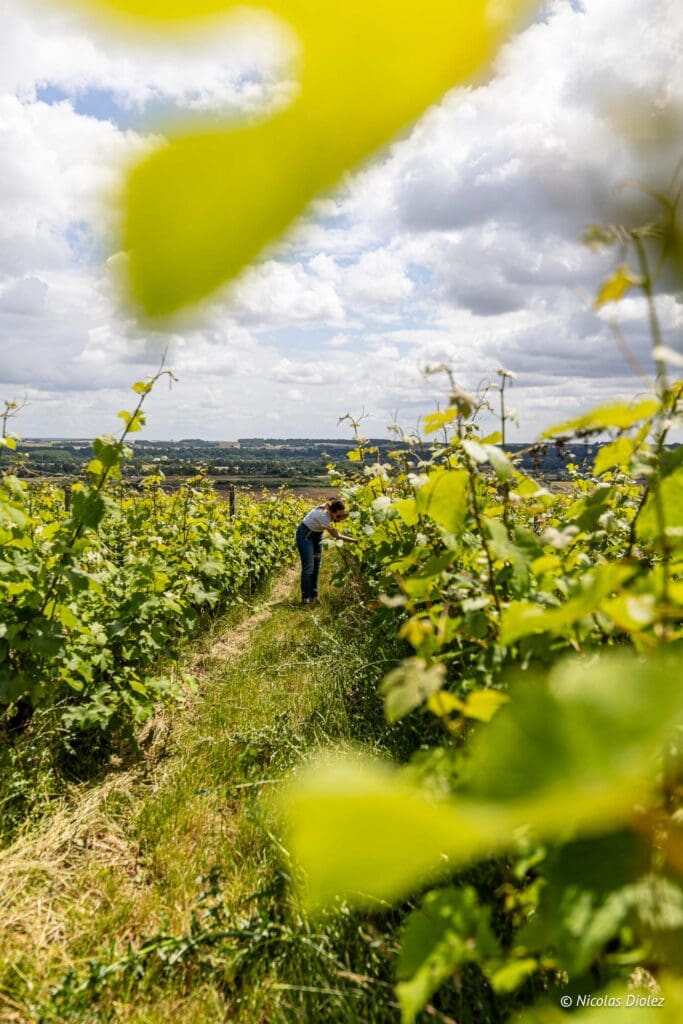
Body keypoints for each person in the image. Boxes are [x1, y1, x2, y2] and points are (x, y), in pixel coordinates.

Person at [295, 499, 357, 605]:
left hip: (317, 536)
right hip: (305, 536)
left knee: (317, 567)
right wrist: (356, 541)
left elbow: (329, 502)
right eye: (338, 516)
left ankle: (314, 596)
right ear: (331, 511)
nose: (340, 519)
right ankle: (306, 598)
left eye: (342, 516)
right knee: (309, 567)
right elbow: (336, 536)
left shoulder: (328, 509)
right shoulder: (323, 517)